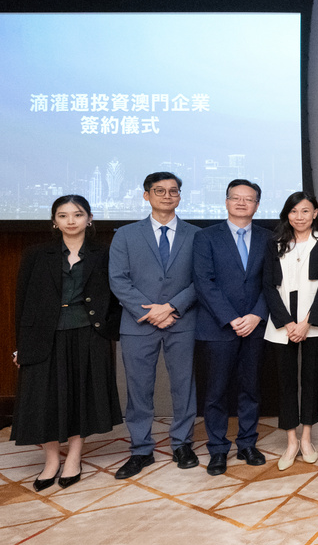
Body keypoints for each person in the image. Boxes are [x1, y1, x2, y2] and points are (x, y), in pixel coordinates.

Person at [11, 195, 122, 490]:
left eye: (77, 214)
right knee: (43, 397)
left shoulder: (104, 252)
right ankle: (51, 460)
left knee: (80, 395)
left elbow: (116, 295)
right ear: (54, 221)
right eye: (63, 215)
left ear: (90, 218)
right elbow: (22, 301)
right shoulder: (36, 253)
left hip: (89, 334)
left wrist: (108, 328)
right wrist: (20, 346)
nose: (71, 221)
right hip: (43, 335)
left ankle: (74, 457)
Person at [109, 172, 201, 480]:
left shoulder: (196, 235)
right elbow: (118, 280)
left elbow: (202, 278)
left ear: (180, 196)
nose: (167, 196)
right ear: (146, 195)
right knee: (138, 389)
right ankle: (141, 450)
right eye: (159, 191)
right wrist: (150, 312)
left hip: (182, 320)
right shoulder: (125, 235)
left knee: (184, 386)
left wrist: (172, 307)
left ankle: (182, 445)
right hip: (138, 323)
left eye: (173, 191)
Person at [192, 179, 269, 476]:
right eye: (235, 198)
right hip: (218, 327)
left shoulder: (268, 238)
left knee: (251, 388)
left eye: (248, 199)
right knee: (216, 392)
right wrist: (230, 317)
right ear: (226, 202)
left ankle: (248, 444)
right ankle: (218, 449)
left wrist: (256, 315)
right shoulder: (206, 237)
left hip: (255, 326)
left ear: (257, 205)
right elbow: (204, 282)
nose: (241, 203)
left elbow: (272, 281)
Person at [264, 192, 318, 471]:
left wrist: (307, 323)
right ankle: (291, 441)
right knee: (286, 382)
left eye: (305, 211)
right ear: (287, 214)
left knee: (310, 379)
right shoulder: (274, 243)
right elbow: (267, 285)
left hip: (315, 323)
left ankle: (307, 438)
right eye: (294, 211)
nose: (299, 216)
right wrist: (287, 323)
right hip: (282, 323)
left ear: (315, 213)